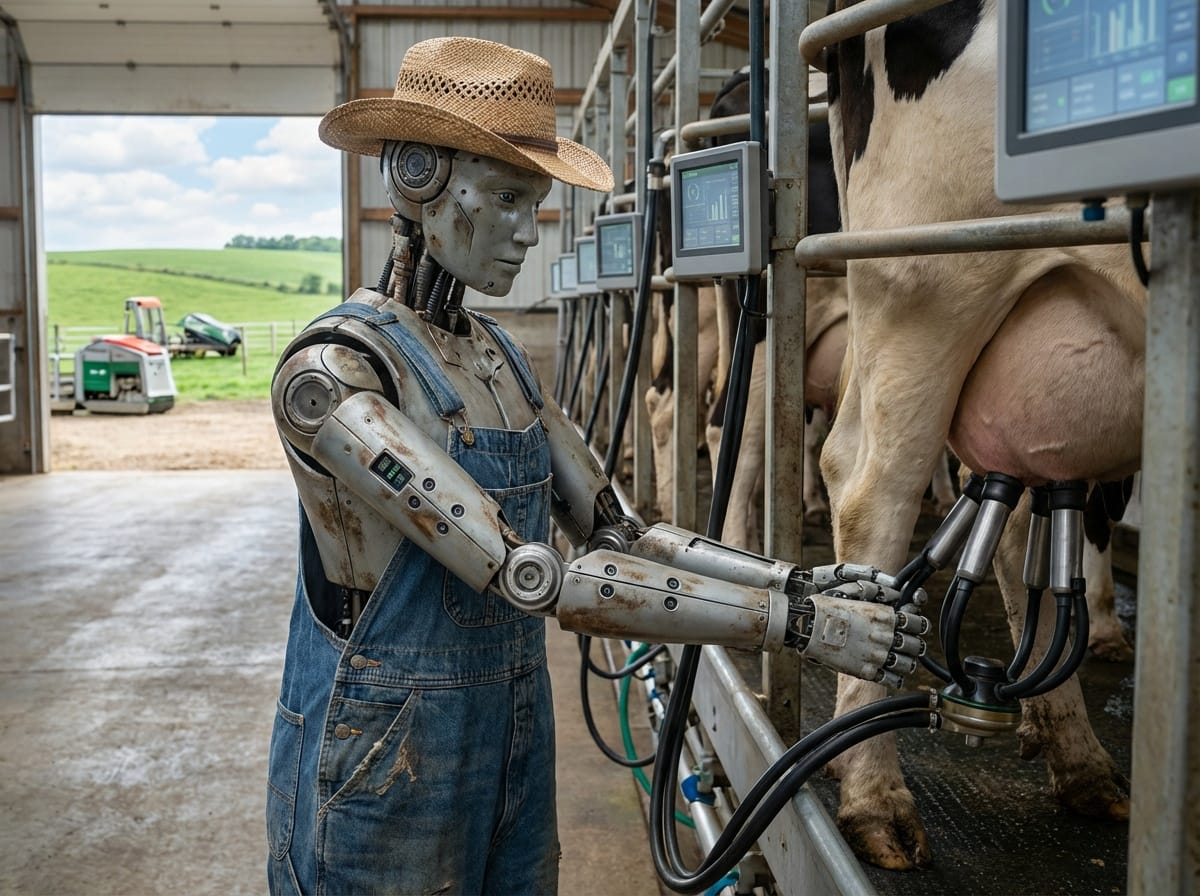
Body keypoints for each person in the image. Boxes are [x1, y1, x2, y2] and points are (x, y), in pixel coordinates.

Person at [266, 35, 928, 896]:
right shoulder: (334, 376)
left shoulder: (498, 358)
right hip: (386, 756)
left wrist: (800, 583)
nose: (520, 233)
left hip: (511, 731)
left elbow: (627, 530)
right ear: (417, 174)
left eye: (531, 203)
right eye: (503, 198)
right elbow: (528, 577)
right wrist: (794, 628)